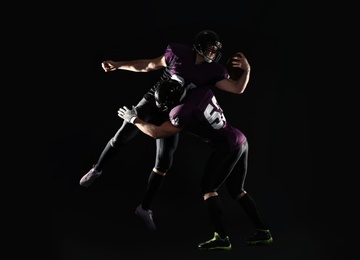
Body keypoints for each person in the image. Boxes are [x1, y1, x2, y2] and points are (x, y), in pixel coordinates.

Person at [79, 29, 251, 231]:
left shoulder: (213, 71)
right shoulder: (177, 53)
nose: (213, 53)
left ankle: (144, 208)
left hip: (174, 112)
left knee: (164, 162)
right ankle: (97, 168)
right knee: (122, 135)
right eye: (210, 49)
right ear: (198, 46)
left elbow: (237, 88)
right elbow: (148, 65)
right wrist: (118, 65)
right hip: (152, 102)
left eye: (215, 50)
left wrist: (247, 70)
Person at [118, 79, 273, 250]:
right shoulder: (200, 90)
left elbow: (157, 133)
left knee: (208, 189)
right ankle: (264, 232)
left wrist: (133, 119)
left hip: (227, 148)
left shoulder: (180, 112)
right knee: (237, 190)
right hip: (239, 139)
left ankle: (222, 238)